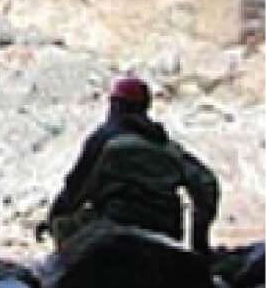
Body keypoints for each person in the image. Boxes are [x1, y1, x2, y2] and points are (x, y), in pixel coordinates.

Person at [36, 76, 219, 253]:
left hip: (115, 224)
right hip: (167, 230)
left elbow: (75, 189)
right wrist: (199, 241)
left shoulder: (104, 139)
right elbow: (207, 185)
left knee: (65, 228)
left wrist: (54, 217)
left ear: (115, 105)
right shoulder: (168, 147)